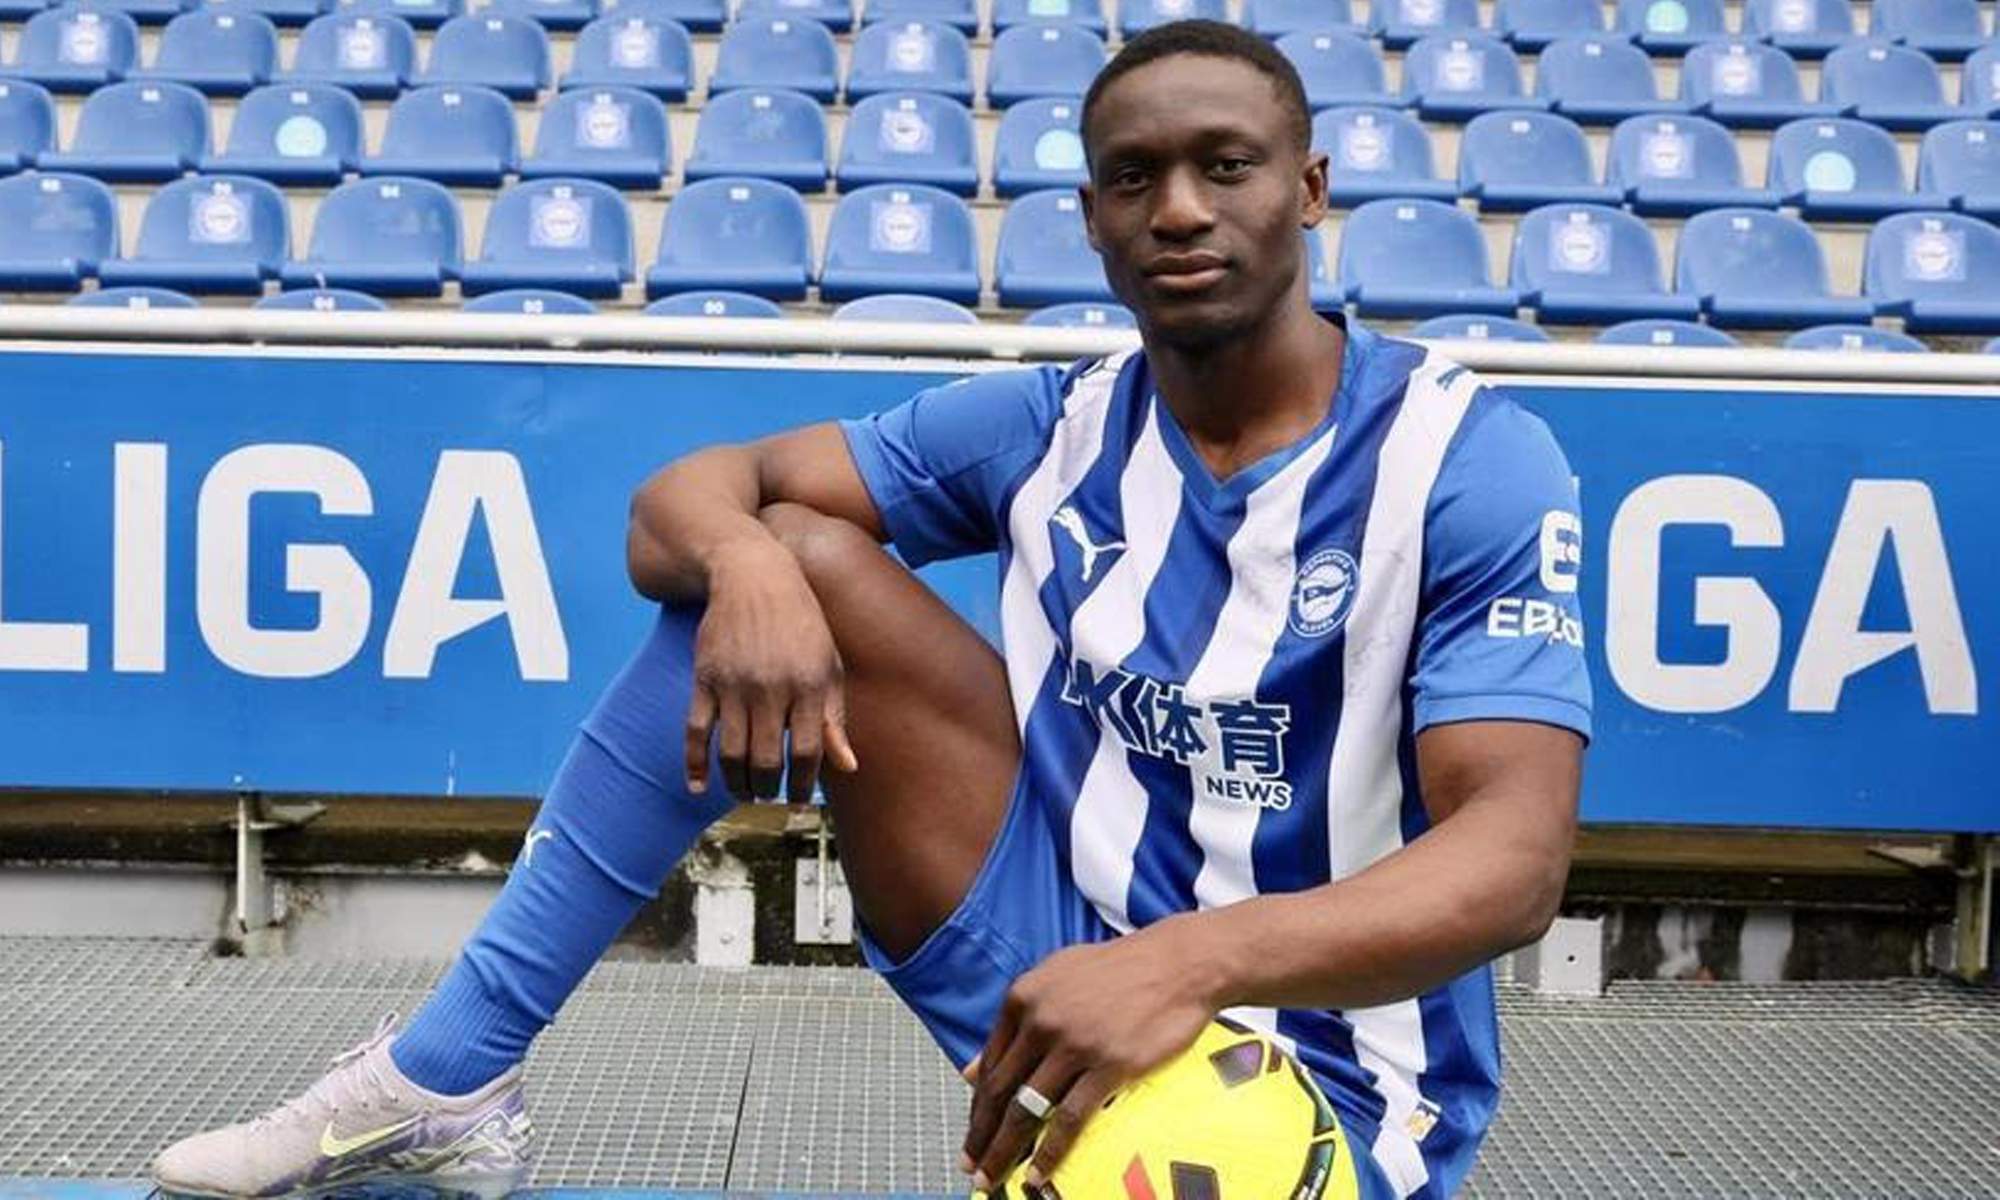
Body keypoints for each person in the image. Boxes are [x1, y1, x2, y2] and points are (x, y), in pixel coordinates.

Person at [151, 19, 1589, 1199]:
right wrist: (759, 566)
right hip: (1058, 953)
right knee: (783, 553)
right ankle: (445, 1078)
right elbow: (683, 499)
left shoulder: (1462, 462)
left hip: (1333, 1063)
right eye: (1136, 177)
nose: (1183, 210)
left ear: (1313, 188)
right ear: (1091, 216)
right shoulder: (1053, 424)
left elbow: (1512, 867)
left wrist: (1182, 965)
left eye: (1229, 168)